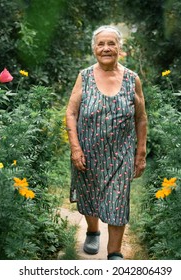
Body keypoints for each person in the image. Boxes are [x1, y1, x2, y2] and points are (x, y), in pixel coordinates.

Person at [65, 25, 147, 260]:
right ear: (94, 49)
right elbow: (71, 113)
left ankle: (114, 253)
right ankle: (92, 231)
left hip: (121, 153)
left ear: (120, 48)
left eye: (111, 43)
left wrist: (140, 153)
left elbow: (141, 117)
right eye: (101, 44)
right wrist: (75, 148)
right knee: (89, 194)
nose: (106, 48)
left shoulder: (132, 79)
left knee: (118, 200)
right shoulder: (85, 76)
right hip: (88, 151)